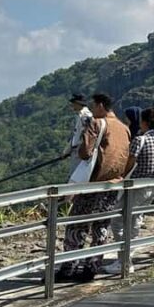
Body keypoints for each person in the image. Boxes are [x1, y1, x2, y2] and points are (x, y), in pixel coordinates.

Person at [56, 93, 130, 282]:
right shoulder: (124, 129)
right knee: (101, 227)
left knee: (77, 226)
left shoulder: (97, 124)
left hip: (93, 184)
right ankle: (92, 266)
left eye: (94, 106)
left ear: (100, 105)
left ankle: (69, 268)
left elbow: (84, 152)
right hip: (113, 185)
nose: (93, 110)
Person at [103, 107, 154, 274]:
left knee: (117, 220)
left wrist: (119, 176)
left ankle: (124, 261)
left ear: (145, 122)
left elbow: (129, 162)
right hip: (153, 186)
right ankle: (126, 259)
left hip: (136, 186)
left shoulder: (141, 140)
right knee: (135, 221)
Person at [62, 93, 92, 180]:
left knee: (75, 176)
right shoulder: (80, 115)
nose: (72, 105)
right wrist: (67, 150)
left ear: (78, 103)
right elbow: (76, 135)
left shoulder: (85, 116)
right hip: (75, 150)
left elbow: (85, 135)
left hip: (80, 150)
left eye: (73, 103)